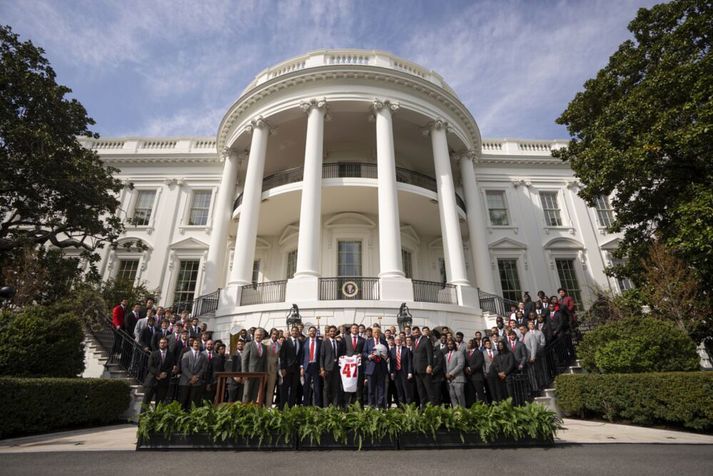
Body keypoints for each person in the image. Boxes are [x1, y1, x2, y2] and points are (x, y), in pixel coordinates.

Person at [141, 336, 175, 411]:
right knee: (146, 402)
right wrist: (159, 374)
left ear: (167, 344)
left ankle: (157, 418)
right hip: (151, 381)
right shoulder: (154, 354)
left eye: (164, 343)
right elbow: (150, 366)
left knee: (160, 404)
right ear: (159, 344)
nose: (162, 344)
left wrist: (164, 374)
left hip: (163, 383)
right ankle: (142, 418)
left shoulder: (171, 355)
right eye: (161, 343)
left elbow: (171, 367)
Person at [179, 339, 208, 410]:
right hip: (185, 381)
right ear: (192, 344)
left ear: (200, 345)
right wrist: (191, 377)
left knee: (193, 403)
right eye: (195, 343)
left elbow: (203, 369)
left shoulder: (203, 356)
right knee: (183, 401)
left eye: (198, 343)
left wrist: (196, 377)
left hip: (197, 382)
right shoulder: (186, 354)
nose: (196, 344)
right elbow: (184, 367)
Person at [363, 325, 388, 408]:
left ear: (380, 333)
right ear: (372, 333)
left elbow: (388, 353)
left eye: (378, 332)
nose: (376, 333)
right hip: (371, 368)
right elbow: (364, 353)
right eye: (375, 332)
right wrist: (369, 356)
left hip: (381, 368)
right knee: (371, 389)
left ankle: (381, 406)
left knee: (381, 388)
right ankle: (371, 406)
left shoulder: (384, 342)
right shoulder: (368, 341)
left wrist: (385, 356)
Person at [411, 326, 435, 408]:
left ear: (420, 332)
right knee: (421, 391)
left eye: (416, 332)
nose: (415, 334)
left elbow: (430, 354)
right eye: (414, 333)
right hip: (417, 370)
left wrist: (430, 365)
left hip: (425, 369)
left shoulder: (426, 340)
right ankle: (423, 408)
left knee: (429, 390)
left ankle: (434, 408)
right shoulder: (414, 342)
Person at [279, 326, 303, 408]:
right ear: (291, 332)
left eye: (296, 331)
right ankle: (282, 407)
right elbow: (282, 356)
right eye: (293, 331)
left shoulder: (301, 342)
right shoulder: (286, 342)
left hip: (296, 369)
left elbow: (300, 356)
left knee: (294, 389)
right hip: (287, 369)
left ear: (298, 332)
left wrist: (301, 367)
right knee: (285, 389)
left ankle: (291, 407)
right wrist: (282, 368)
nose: (295, 332)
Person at [242, 328, 267, 404]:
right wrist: (244, 373)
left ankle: (252, 409)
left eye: (260, 335)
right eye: (257, 335)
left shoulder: (264, 347)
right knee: (246, 394)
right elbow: (244, 360)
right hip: (249, 374)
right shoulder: (249, 345)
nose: (258, 336)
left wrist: (264, 373)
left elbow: (264, 361)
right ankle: (244, 409)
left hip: (259, 374)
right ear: (254, 335)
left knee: (255, 394)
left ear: (263, 336)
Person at [342, 323, 365, 405]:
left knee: (359, 386)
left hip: (358, 366)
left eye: (356, 328)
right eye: (353, 328)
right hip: (348, 367)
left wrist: (361, 354)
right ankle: (347, 405)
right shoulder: (345, 339)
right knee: (348, 385)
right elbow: (342, 351)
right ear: (350, 329)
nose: (355, 329)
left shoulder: (362, 340)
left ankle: (359, 405)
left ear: (358, 329)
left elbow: (364, 351)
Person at [320, 325, 341, 407]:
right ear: (328, 332)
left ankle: (335, 406)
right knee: (326, 388)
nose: (332, 333)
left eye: (334, 331)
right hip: (327, 368)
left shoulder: (338, 343)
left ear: (336, 332)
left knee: (335, 388)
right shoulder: (325, 342)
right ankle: (326, 407)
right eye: (331, 331)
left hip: (336, 369)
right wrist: (322, 369)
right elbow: (321, 356)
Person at [301, 326, 322, 406]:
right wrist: (302, 367)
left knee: (317, 387)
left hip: (316, 366)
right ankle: (306, 405)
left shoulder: (320, 342)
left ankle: (317, 405)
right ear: (308, 332)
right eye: (311, 331)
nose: (312, 332)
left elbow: (321, 356)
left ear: (316, 332)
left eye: (314, 331)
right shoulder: (304, 341)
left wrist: (321, 367)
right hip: (307, 366)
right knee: (306, 386)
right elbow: (302, 355)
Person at [389, 335, 412, 405]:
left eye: (399, 340)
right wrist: (391, 372)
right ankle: (401, 406)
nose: (398, 341)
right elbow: (391, 363)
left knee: (406, 390)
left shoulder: (406, 350)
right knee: (399, 390)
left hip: (404, 372)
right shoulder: (392, 350)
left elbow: (409, 361)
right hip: (396, 373)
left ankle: (409, 406)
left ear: (401, 341)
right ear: (394, 341)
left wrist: (410, 372)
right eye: (396, 340)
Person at [464, 338, 487, 405]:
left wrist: (470, 368)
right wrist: (466, 369)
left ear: (473, 344)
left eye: (469, 343)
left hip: (477, 376)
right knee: (471, 394)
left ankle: (483, 406)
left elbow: (479, 363)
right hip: (469, 377)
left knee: (480, 394)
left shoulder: (479, 352)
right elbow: (465, 363)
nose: (467, 344)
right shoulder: (467, 353)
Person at [444, 339, 466, 407]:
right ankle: (456, 411)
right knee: (452, 397)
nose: (450, 345)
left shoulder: (459, 353)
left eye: (451, 344)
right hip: (449, 380)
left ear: (454, 345)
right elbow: (444, 366)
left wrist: (451, 374)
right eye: (448, 344)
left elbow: (460, 365)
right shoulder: (445, 355)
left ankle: (462, 410)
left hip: (458, 379)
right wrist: (446, 374)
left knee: (460, 396)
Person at [263, 328, 280, 407]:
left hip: (273, 370)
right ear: (271, 334)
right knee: (261, 389)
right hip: (264, 369)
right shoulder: (264, 342)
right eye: (273, 334)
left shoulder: (279, 345)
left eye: (277, 334)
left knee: (270, 390)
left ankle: (268, 407)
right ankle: (259, 406)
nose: (275, 336)